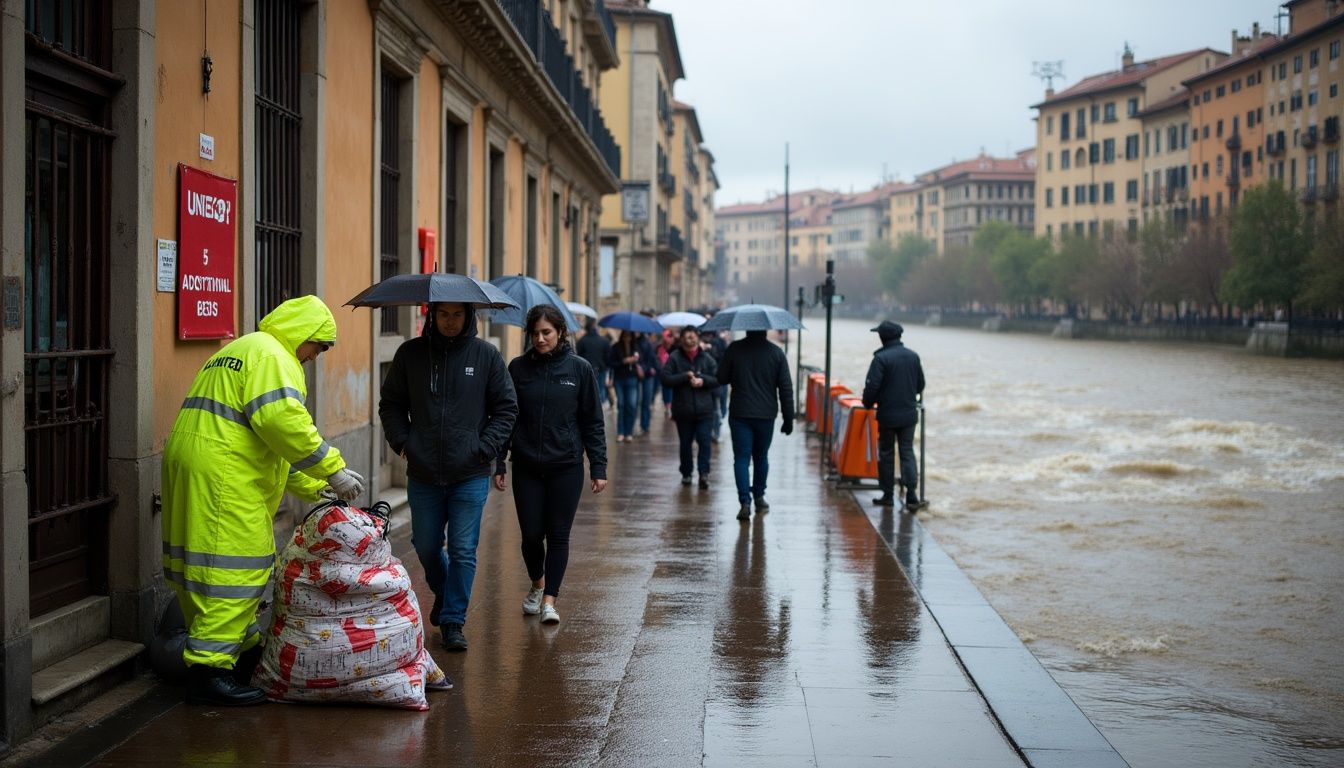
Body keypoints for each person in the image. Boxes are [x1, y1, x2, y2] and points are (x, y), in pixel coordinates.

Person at [161, 295, 365, 706]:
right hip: (225, 474)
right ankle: (209, 672)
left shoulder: (245, 347)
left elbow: (265, 440)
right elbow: (281, 422)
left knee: (200, 564)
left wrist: (315, 488)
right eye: (318, 347)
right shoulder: (276, 358)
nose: (315, 357)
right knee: (236, 567)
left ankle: (242, 650)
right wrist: (333, 468)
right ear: (304, 336)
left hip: (197, 461)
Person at [379, 302, 518, 651]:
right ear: (433, 316)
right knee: (424, 545)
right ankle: (444, 592)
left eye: (458, 315)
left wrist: (484, 447)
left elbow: (506, 407)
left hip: (469, 472)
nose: (450, 322)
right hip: (423, 471)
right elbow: (391, 403)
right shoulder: (411, 354)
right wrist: (403, 442)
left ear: (468, 317)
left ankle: (454, 619)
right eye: (444, 315)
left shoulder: (486, 356)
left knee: (462, 549)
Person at [493, 305, 608, 626]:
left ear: (560, 333)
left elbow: (592, 422)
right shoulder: (517, 368)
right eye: (536, 333)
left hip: (566, 466)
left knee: (558, 535)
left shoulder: (580, 369)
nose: (541, 339)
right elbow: (506, 417)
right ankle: (537, 584)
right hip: (527, 464)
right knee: (531, 535)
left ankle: (549, 600)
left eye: (547, 333)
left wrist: (598, 467)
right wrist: (499, 461)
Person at [716, 330, 795, 521]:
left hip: (740, 412)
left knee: (742, 458)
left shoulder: (734, 349)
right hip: (765, 415)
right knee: (761, 457)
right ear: (766, 330)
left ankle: (744, 501)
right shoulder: (777, 353)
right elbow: (786, 388)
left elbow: (721, 378)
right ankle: (759, 497)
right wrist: (788, 418)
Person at [861, 320, 926, 511]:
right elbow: (921, 385)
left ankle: (887, 494)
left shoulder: (881, 359)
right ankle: (912, 494)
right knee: (907, 451)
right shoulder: (913, 357)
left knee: (887, 453)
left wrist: (866, 403)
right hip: (908, 415)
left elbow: (872, 386)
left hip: (888, 415)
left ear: (882, 338)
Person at [661, 326, 719, 489]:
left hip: (705, 410)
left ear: (698, 338)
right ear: (682, 340)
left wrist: (702, 380)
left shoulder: (707, 358)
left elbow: (718, 379)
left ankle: (703, 473)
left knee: (704, 441)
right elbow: (665, 379)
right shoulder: (675, 358)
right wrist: (683, 376)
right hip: (683, 409)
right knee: (685, 443)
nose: (690, 339)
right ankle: (686, 473)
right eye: (687, 337)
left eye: (693, 336)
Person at [606, 330, 649, 442]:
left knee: (631, 405)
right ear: (622, 336)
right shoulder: (616, 347)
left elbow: (643, 362)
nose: (627, 338)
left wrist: (637, 363)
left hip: (632, 378)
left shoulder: (636, 348)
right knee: (621, 405)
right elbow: (610, 363)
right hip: (619, 379)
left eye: (629, 336)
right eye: (625, 336)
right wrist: (624, 361)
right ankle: (621, 432)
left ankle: (629, 432)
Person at [575, 318, 611, 409]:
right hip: (601, 368)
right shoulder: (604, 341)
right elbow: (608, 357)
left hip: (586, 369)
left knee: (588, 391)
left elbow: (578, 356)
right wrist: (606, 366)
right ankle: (599, 408)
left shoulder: (582, 341)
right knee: (600, 389)